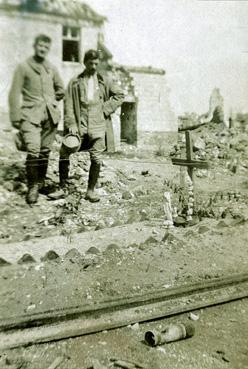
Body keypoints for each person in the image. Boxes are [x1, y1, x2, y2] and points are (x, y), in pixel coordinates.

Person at [58, 49, 124, 202]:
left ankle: (90, 191)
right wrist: (71, 123)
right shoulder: (75, 82)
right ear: (84, 63)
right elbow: (68, 103)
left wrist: (105, 109)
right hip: (80, 126)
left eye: (96, 63)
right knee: (64, 152)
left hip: (98, 127)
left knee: (96, 158)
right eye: (90, 63)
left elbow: (120, 95)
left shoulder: (104, 80)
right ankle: (62, 188)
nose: (94, 66)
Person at [8, 34, 65, 204]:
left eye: (46, 47)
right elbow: (14, 93)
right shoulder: (24, 67)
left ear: (48, 49)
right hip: (30, 116)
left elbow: (61, 89)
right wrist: (16, 118)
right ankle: (33, 187)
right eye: (40, 45)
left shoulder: (51, 68)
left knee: (45, 151)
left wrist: (52, 100)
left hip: (50, 116)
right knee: (33, 149)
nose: (43, 49)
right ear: (35, 46)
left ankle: (41, 183)